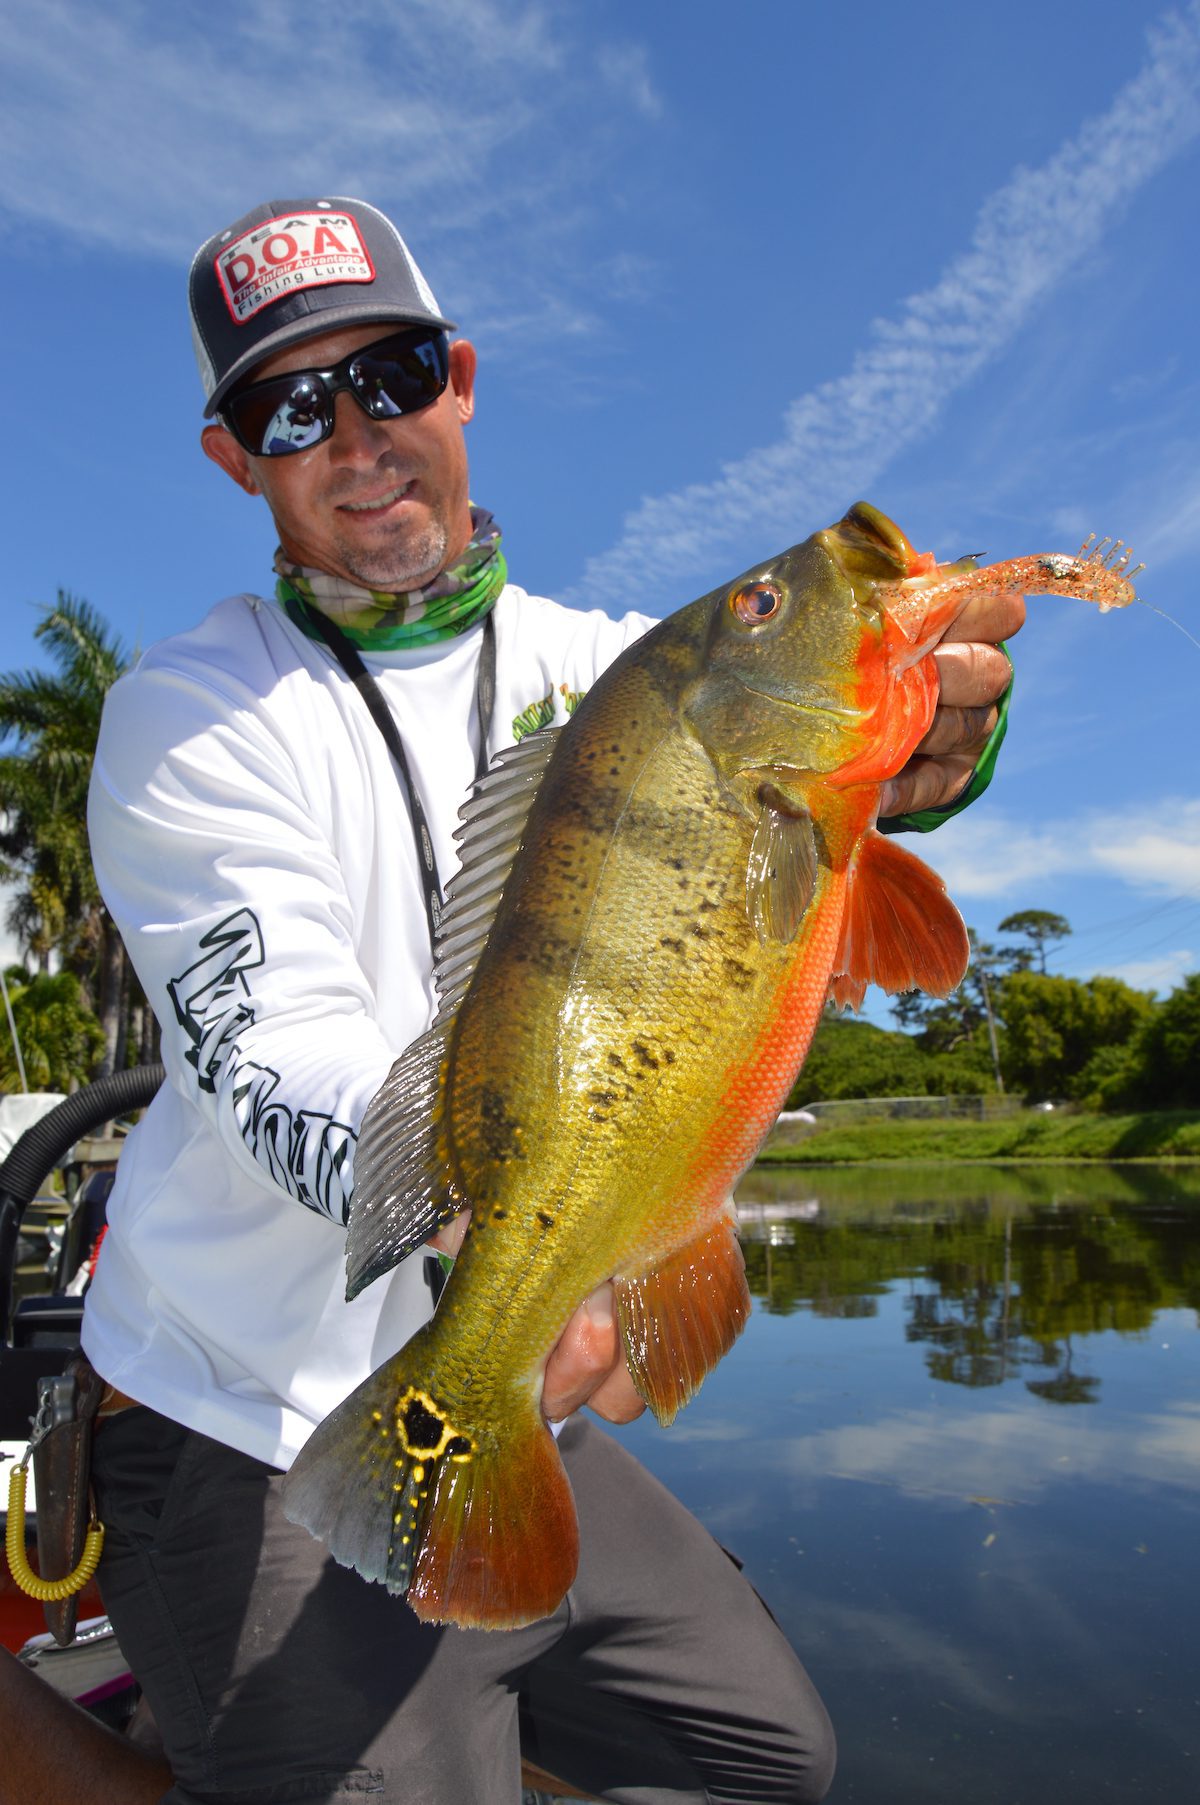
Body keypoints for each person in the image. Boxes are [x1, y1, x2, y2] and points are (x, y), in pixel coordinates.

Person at [9, 196, 1023, 1805]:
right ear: (236, 460)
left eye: (393, 374)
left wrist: (936, 748)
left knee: (764, 1757)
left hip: (504, 1372)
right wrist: (509, 1250)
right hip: (243, 1415)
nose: (358, 438)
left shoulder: (634, 672)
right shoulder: (188, 716)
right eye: (292, 406)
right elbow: (280, 1047)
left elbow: (850, 798)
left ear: (461, 379)